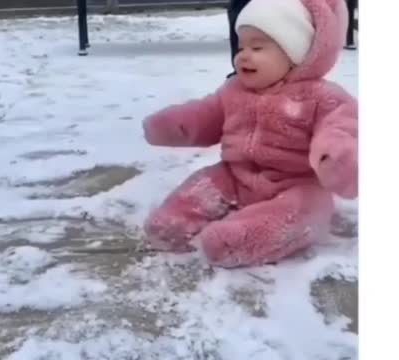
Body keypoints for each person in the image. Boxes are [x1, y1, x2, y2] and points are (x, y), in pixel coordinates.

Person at [142, 0, 358, 268]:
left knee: (297, 214)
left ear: (295, 53)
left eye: (257, 47)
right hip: (236, 175)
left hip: (297, 185)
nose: (243, 55)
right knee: (201, 187)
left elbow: (342, 129)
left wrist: (338, 158)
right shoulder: (234, 91)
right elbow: (207, 115)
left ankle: (240, 241)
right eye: (241, 46)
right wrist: (176, 125)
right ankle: (173, 224)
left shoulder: (322, 97)